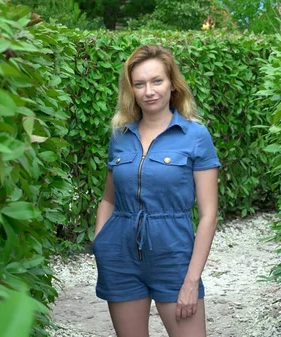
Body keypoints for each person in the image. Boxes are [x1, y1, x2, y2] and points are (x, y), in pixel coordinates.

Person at [92, 44, 220, 337]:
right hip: (119, 255)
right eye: (140, 84)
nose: (149, 91)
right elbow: (108, 198)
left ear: (172, 84)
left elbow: (209, 214)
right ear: (131, 90)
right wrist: (101, 243)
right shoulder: (120, 135)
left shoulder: (195, 136)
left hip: (173, 253)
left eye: (157, 81)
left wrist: (190, 281)